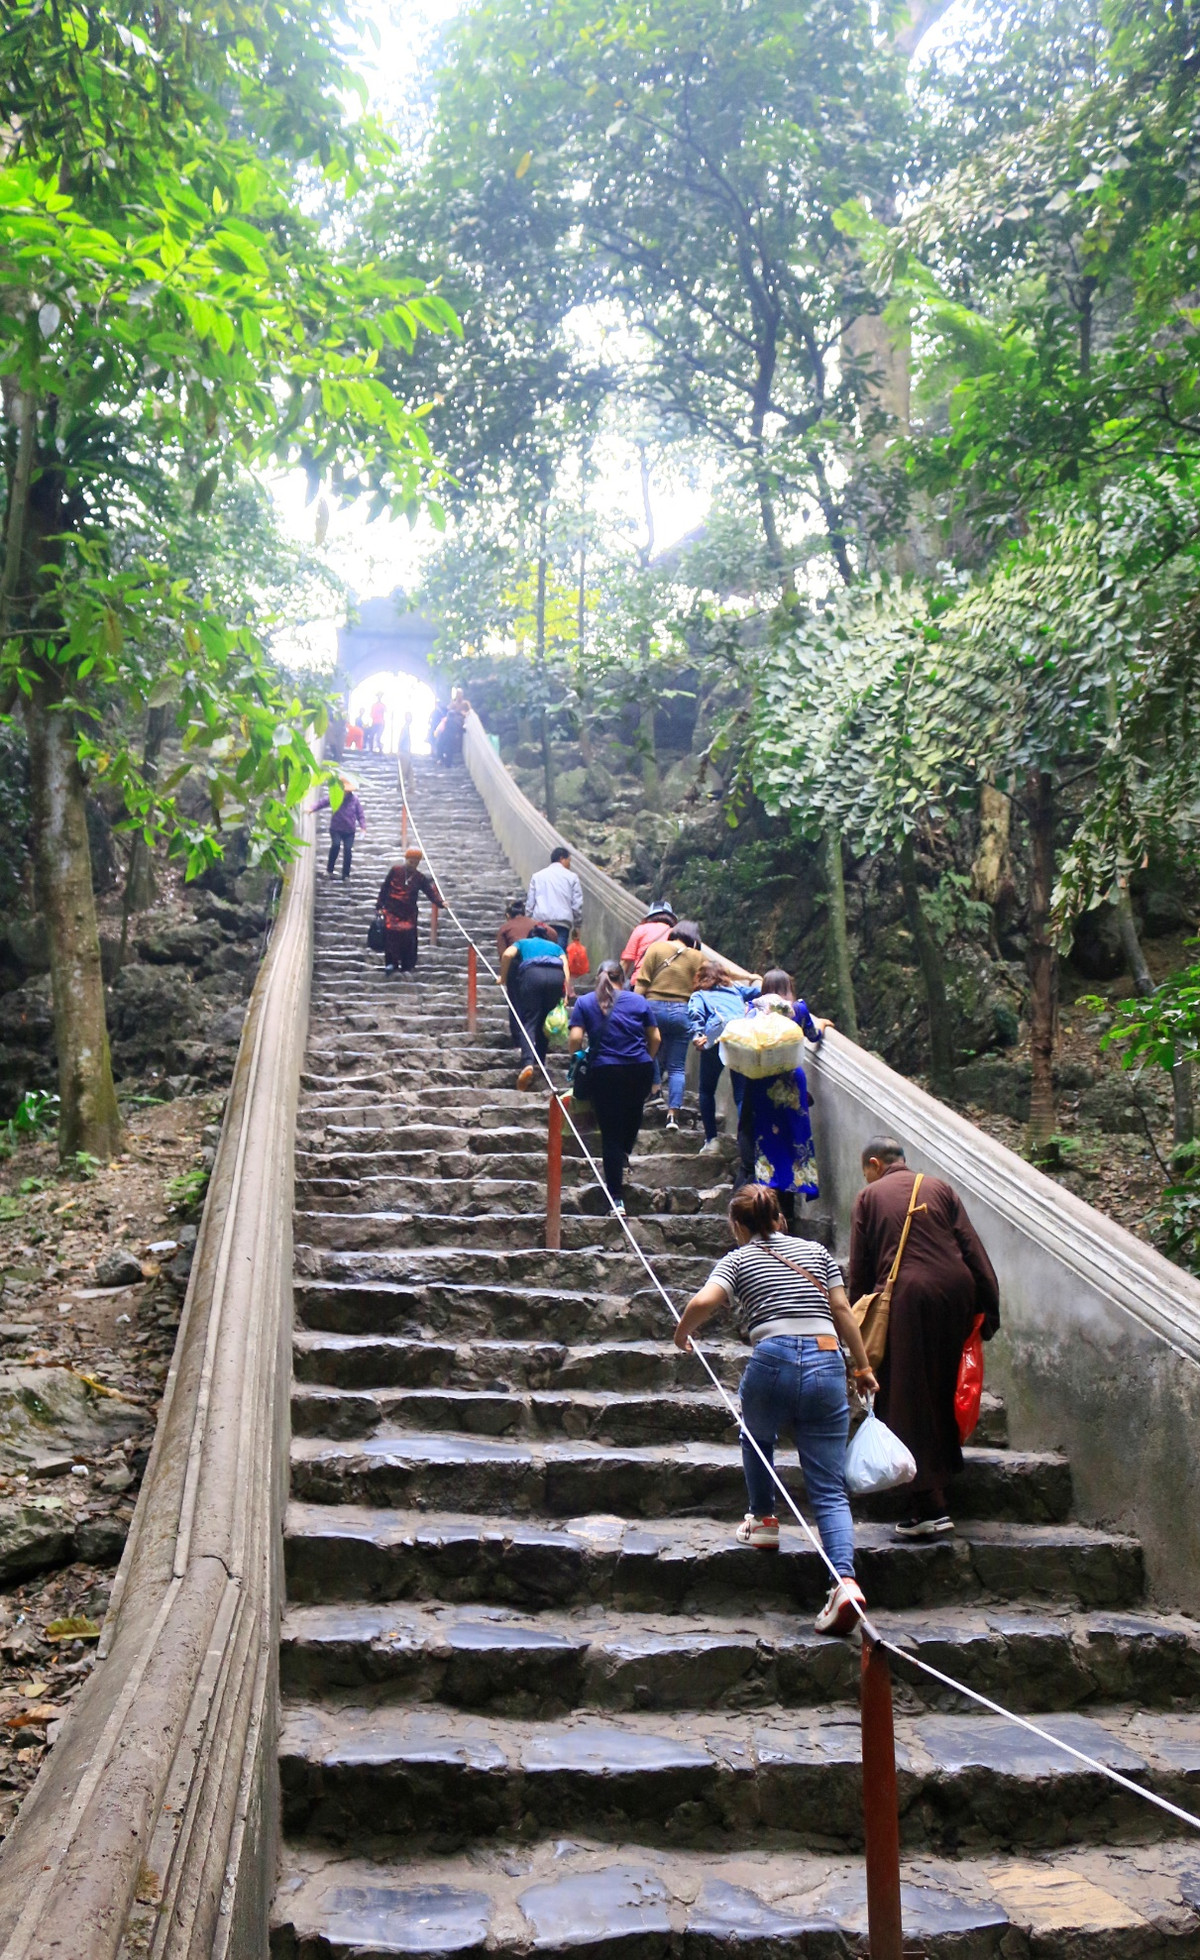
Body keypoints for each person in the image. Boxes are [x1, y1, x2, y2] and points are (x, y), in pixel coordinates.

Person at [674, 1184, 878, 1636]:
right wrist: (862, 1367)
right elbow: (842, 1309)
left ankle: (763, 1518)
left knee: (756, 1433)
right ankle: (844, 1582)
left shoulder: (737, 1258)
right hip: (827, 1360)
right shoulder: (816, 1252)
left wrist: (682, 1333)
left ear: (737, 1226)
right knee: (828, 1488)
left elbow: (704, 1301)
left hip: (773, 1358)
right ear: (780, 1218)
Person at [848, 1136, 1000, 1539]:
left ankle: (929, 1505)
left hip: (908, 1299)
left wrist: (854, 1324)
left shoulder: (869, 1197)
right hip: (956, 1295)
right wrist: (989, 1307)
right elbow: (972, 1248)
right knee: (941, 1388)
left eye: (865, 1171)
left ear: (875, 1164)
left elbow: (861, 1270)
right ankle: (940, 1479)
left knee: (906, 1397)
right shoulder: (939, 1187)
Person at [731, 970, 832, 1228]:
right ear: (789, 987)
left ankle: (762, 1201)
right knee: (791, 1141)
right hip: (789, 1085)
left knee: (764, 1142)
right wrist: (821, 1024)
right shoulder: (797, 1009)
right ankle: (787, 1210)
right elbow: (813, 1036)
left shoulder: (753, 1010)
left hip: (761, 1083)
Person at [568, 960, 661, 1214]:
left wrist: (579, 1056)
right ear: (624, 978)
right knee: (631, 1119)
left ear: (598, 977)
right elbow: (655, 1038)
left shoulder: (585, 1002)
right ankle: (623, 1154)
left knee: (610, 1135)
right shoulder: (638, 1001)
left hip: (604, 1070)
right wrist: (647, 1059)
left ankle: (616, 1199)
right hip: (638, 1069)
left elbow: (575, 1038)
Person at [634, 921, 705, 1131]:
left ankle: (655, 1089)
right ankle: (672, 1115)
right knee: (677, 1067)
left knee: (650, 1051)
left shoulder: (656, 948)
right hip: (683, 1011)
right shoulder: (698, 957)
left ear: (674, 932)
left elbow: (642, 983)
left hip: (653, 1007)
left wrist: (629, 1009)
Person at [688, 959, 762, 1156]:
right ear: (724, 976)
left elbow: (695, 1014)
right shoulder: (736, 990)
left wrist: (697, 1036)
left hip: (715, 1039)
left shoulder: (699, 995)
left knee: (706, 1090)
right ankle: (749, 1142)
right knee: (740, 1093)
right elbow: (761, 991)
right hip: (740, 1037)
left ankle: (712, 1141)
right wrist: (750, 978)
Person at [498, 928, 571, 1089]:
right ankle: (540, 1062)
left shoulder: (523, 943)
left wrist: (503, 978)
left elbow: (507, 955)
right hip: (555, 978)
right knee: (545, 1022)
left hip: (532, 975)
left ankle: (527, 1063)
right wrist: (566, 993)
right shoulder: (556, 947)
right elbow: (565, 968)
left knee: (530, 1020)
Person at [374, 847, 444, 974]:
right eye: (411, 861)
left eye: (416, 862)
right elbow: (384, 888)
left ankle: (407, 964)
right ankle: (391, 963)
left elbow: (430, 892)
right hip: (391, 909)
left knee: (409, 938)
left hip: (409, 912)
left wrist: (440, 903)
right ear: (406, 859)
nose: (413, 864)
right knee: (391, 936)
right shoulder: (395, 871)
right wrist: (379, 906)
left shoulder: (420, 877)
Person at [525, 846, 584, 950]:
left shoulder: (537, 876)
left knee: (541, 953)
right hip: (562, 924)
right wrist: (577, 925)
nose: (569, 865)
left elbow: (530, 903)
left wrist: (528, 919)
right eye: (568, 861)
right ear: (562, 858)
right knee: (558, 955)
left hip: (540, 923)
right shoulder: (572, 877)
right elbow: (577, 905)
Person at [314, 777, 366, 880]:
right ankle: (330, 870)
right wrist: (312, 808)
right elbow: (322, 802)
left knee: (348, 850)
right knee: (335, 845)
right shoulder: (334, 796)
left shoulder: (355, 800)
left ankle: (346, 875)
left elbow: (360, 814)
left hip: (350, 831)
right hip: (336, 829)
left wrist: (363, 827)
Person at [620, 902, 677, 981]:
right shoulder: (675, 933)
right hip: (665, 983)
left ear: (650, 916)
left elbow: (626, 962)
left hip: (640, 979)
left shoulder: (641, 929)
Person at [397, 711, 414, 795]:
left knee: (410, 770)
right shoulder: (405, 728)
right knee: (404, 770)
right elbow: (401, 739)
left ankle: (411, 787)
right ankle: (400, 786)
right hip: (404, 752)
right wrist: (399, 750)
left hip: (407, 752)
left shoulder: (407, 728)